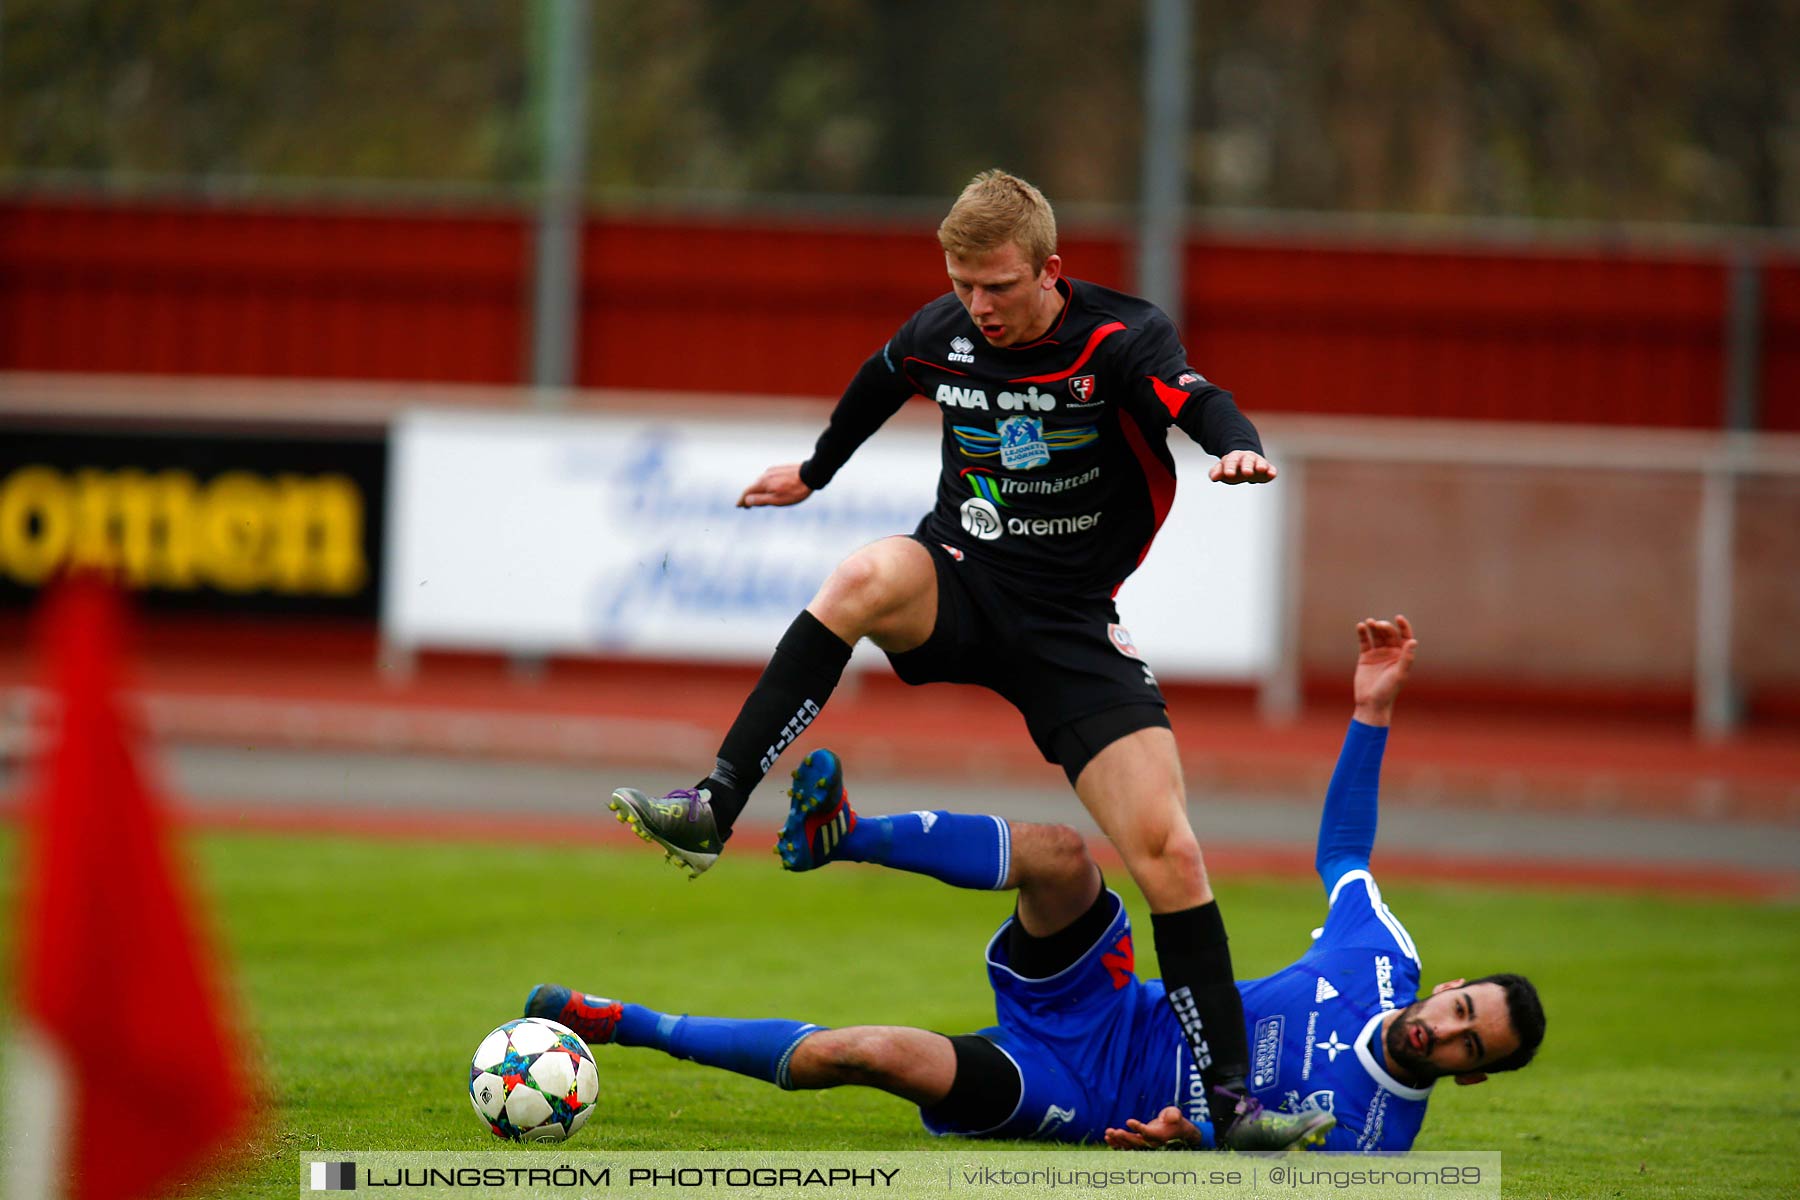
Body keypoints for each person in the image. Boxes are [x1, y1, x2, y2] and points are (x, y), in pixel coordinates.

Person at [607, 169, 1284, 1145]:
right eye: (963, 283)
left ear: (1052, 270)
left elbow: (1198, 398)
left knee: (1170, 855)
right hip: (960, 579)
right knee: (860, 578)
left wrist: (1238, 444)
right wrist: (814, 471)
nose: (979, 306)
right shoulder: (944, 332)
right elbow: (878, 384)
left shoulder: (1117, 338)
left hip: (1070, 626)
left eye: (998, 285)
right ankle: (715, 804)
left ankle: (1233, 1111)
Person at [552, 617, 1546, 1150]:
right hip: (1111, 1004)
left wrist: (1182, 1145)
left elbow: (1253, 1168)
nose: (1446, 1028)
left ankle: (622, 1021)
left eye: (1468, 1044)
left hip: (1080, 1090)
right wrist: (1371, 711)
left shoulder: (1377, 1145)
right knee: (1066, 856)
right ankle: (843, 836)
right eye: (1461, 1007)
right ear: (1447, 981)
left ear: (1470, 1076)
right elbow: (1342, 854)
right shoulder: (1382, 962)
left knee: (871, 1054)